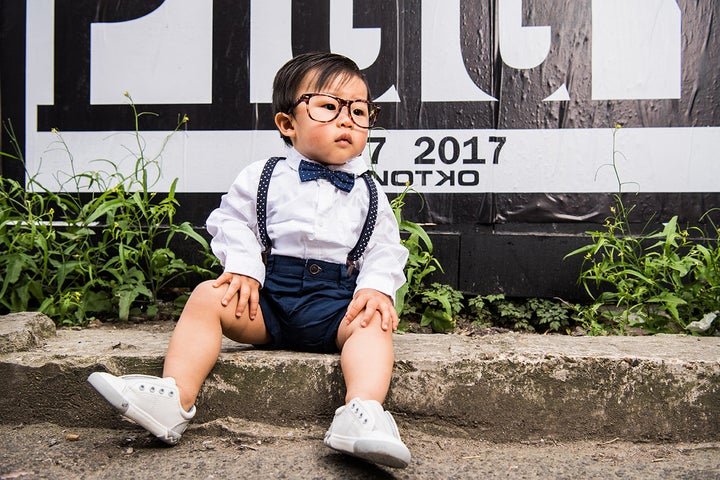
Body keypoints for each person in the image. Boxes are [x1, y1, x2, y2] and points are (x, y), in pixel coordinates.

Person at [87, 52, 411, 469]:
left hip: (335, 312)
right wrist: (243, 266)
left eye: (359, 110)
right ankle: (175, 397)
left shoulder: (369, 191)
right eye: (329, 106)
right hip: (267, 305)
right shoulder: (262, 176)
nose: (347, 119)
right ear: (287, 124)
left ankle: (361, 414)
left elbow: (384, 246)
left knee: (373, 326)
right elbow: (232, 222)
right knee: (207, 296)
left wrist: (374, 287)